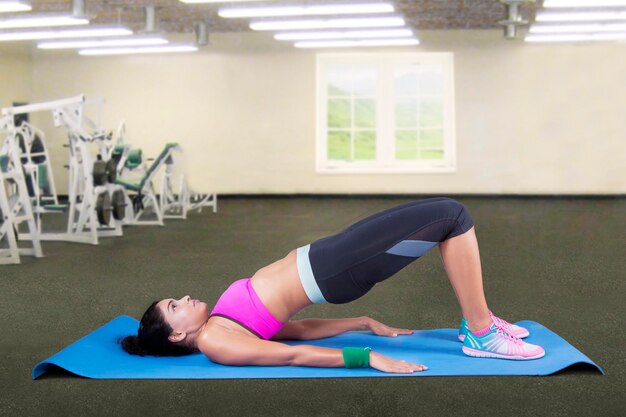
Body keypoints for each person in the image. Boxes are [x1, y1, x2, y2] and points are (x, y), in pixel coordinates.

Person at [120, 198, 545, 373]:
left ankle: (482, 322)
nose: (184, 298)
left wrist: (362, 322)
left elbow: (295, 330)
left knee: (449, 215)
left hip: (327, 255)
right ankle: (481, 331)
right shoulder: (215, 342)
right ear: (177, 334)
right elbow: (292, 355)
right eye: (175, 306)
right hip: (336, 268)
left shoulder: (219, 323)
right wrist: (370, 357)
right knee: (452, 218)